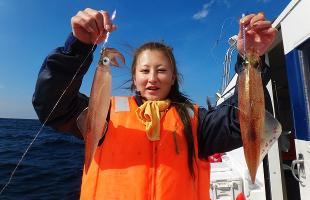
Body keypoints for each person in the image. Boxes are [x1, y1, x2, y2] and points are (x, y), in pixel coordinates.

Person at [32, 8, 277, 200]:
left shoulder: (196, 121)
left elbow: (242, 120)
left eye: (161, 70)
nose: (152, 78)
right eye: (145, 70)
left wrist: (250, 61)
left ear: (173, 78)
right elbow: (52, 106)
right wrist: (78, 46)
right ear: (135, 77)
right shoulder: (104, 112)